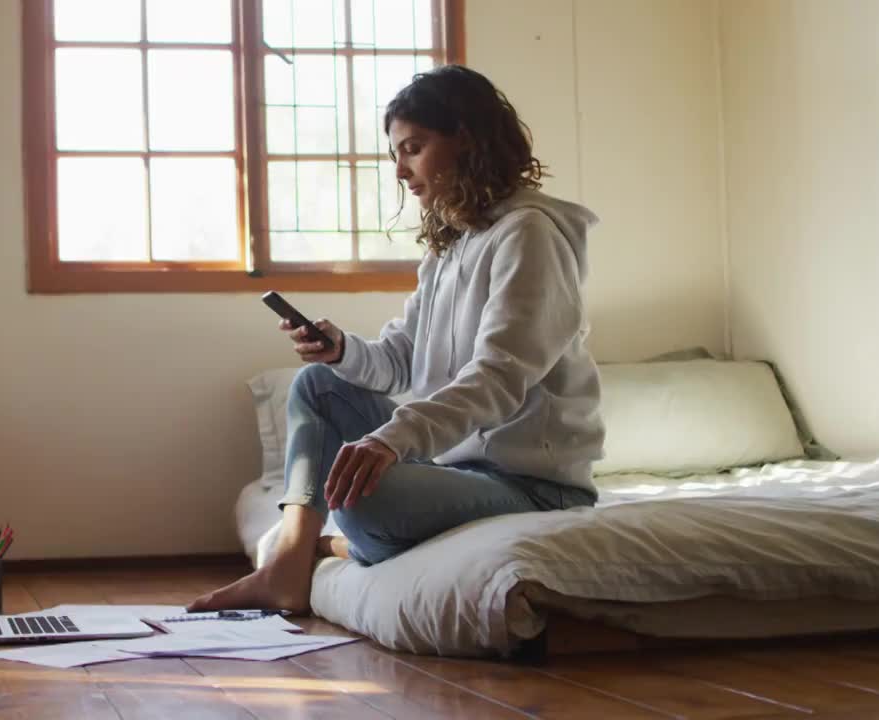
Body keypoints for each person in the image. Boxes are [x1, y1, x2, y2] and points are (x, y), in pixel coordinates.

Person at [188, 64, 605, 614]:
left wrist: (392, 440)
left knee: (363, 502)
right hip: (453, 471)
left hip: (530, 485)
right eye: (397, 154)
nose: (402, 172)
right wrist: (342, 353)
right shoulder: (451, 244)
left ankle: (319, 549)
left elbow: (499, 379)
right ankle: (290, 562)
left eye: (414, 147)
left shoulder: (530, 235)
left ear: (468, 139)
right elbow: (400, 361)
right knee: (318, 384)